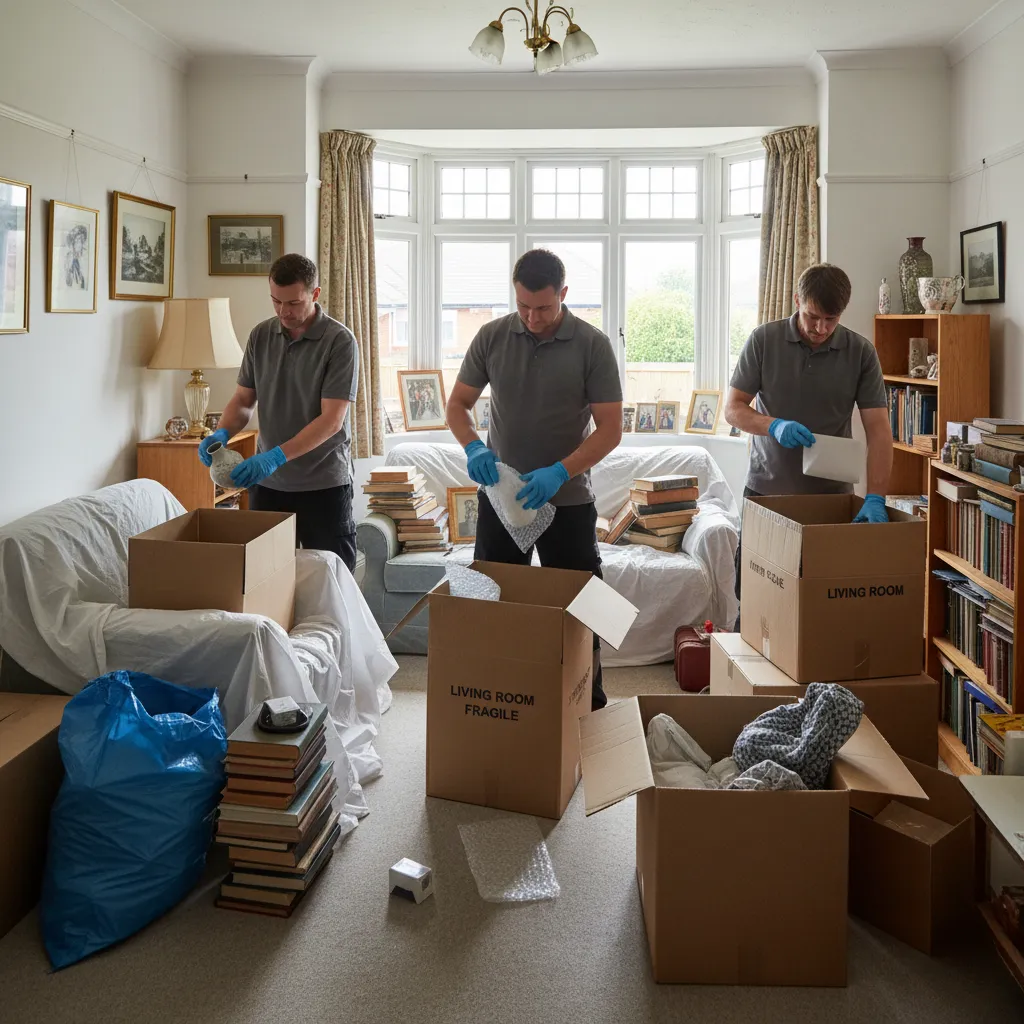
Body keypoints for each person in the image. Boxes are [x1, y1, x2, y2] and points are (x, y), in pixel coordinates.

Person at [446, 248, 623, 711]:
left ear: (563, 294)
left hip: (567, 500)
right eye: (523, 305)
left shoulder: (592, 344)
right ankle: (499, 696)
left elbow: (611, 429)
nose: (531, 316)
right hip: (503, 501)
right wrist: (473, 446)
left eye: (543, 307)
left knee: (586, 602)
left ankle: (591, 701)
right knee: (493, 599)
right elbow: (458, 405)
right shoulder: (492, 336)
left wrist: (561, 470)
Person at [725, 263, 893, 608]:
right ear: (797, 299)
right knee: (757, 600)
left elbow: (879, 431)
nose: (821, 328)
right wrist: (772, 425)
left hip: (830, 500)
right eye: (813, 316)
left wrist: (876, 496)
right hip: (766, 494)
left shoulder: (861, 353)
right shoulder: (764, 340)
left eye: (831, 319)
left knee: (824, 606)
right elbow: (733, 409)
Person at [198, 253, 361, 573]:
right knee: (264, 577)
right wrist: (220, 433)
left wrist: (274, 457)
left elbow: (331, 421)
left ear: (314, 294)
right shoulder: (260, 336)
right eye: (276, 301)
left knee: (331, 582)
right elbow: (244, 400)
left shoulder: (340, 342)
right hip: (269, 488)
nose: (284, 311)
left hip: (324, 485)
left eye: (294, 303)